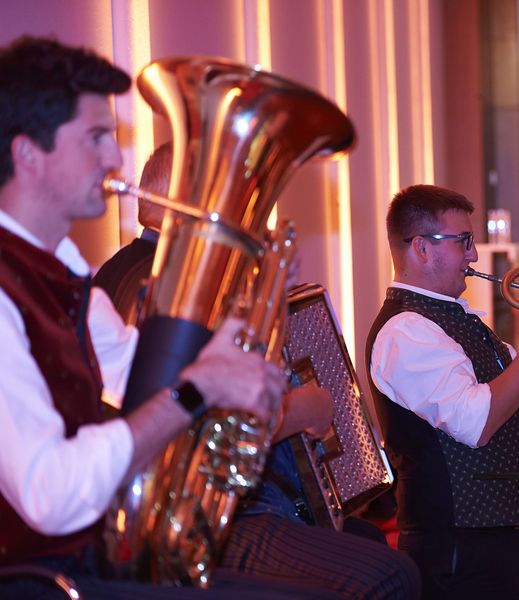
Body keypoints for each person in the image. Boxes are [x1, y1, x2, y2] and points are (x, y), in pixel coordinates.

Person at [0, 35, 406, 600]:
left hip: (99, 559)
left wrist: (242, 339)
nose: (115, 160)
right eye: (95, 138)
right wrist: (198, 388)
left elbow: (146, 389)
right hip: (42, 579)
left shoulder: (73, 286)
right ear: (27, 152)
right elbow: (51, 493)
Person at [93, 142, 421, 599]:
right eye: (237, 198)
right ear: (193, 198)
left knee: (367, 540)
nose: (248, 215)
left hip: (207, 507)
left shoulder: (117, 273)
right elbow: (197, 432)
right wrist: (304, 408)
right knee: (391, 573)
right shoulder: (175, 286)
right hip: (215, 518)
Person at [365, 184, 519, 599]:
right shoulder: (406, 330)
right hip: (457, 549)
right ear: (422, 248)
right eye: (463, 241)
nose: (473, 255)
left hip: (496, 542)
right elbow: (477, 423)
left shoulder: (457, 319)